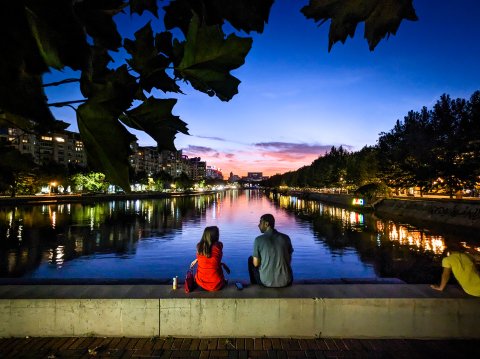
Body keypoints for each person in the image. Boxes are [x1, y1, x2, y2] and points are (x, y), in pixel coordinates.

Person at [248, 214, 293, 287]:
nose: (258, 225)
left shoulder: (258, 240)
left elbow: (256, 264)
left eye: (260, 222)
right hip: (286, 281)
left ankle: (255, 286)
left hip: (266, 282)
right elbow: (289, 260)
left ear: (266, 224)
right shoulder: (286, 238)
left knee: (251, 260)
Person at [190, 226, 230, 291]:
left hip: (200, 283)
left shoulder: (199, 247)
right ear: (215, 236)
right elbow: (213, 258)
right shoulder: (219, 246)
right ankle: (223, 281)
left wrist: (197, 259)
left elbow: (206, 256)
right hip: (216, 285)